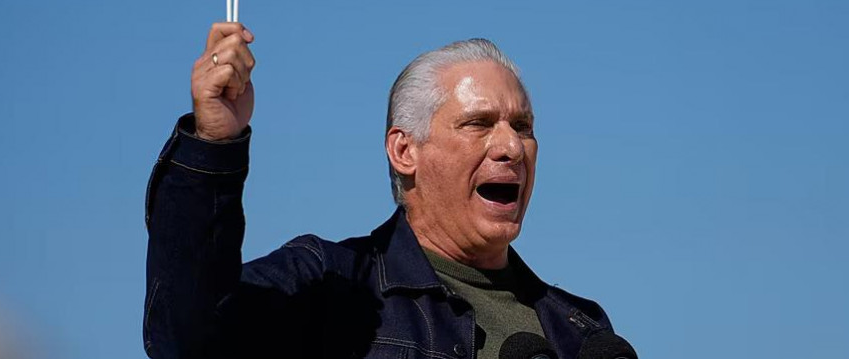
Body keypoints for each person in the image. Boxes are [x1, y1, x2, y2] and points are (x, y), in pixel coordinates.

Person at [143, 23, 620, 359]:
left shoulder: (579, 331)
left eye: (523, 126)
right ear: (404, 150)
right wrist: (213, 146)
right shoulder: (329, 287)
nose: (512, 146)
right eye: (478, 123)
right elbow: (187, 339)